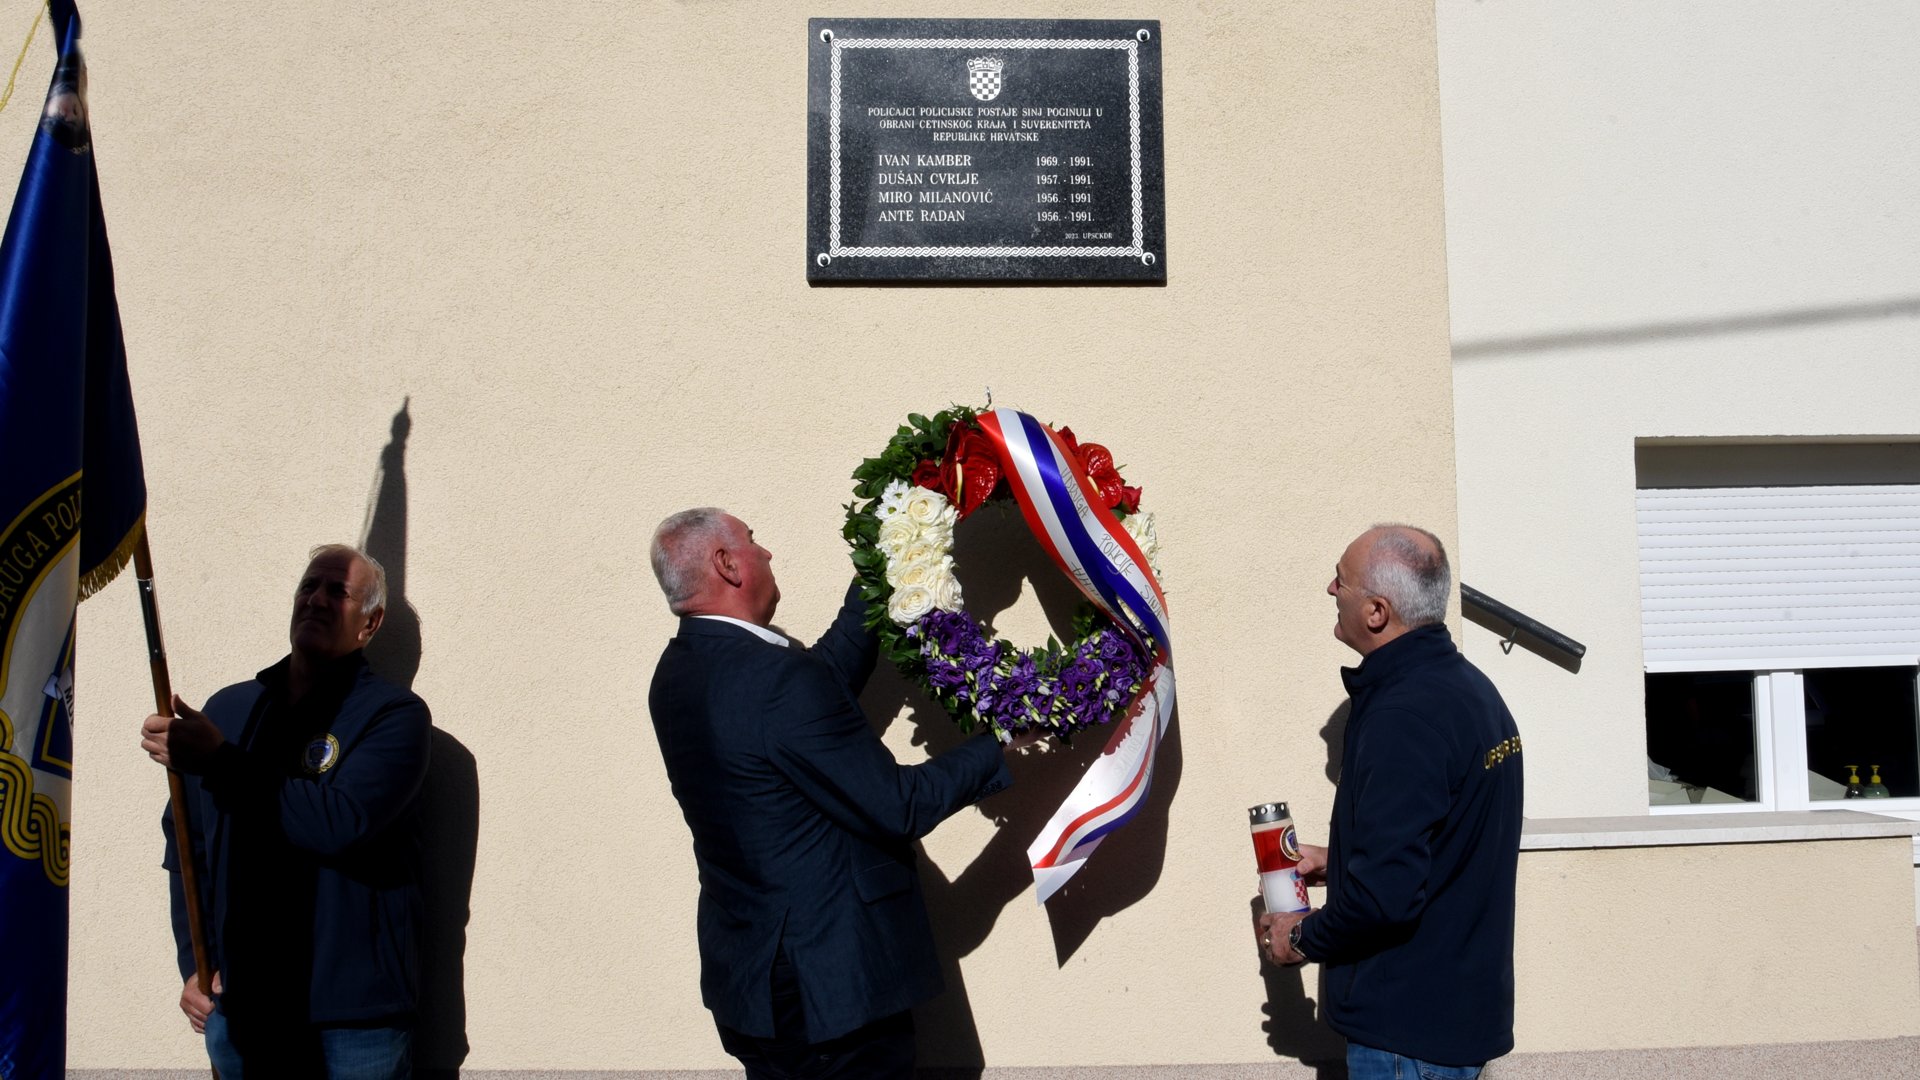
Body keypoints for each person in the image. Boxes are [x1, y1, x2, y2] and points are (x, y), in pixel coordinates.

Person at [648, 507, 1019, 1078]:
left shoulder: (676, 673)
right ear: (726, 565)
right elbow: (900, 804)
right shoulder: (775, 680)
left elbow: (814, 691)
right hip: (831, 995)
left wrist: (888, 562)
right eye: (751, 540)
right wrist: (1003, 738)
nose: (766, 552)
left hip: (754, 984)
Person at [142, 544, 431, 1079]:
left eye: (338, 592)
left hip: (352, 1019)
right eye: (309, 587)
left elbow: (340, 823)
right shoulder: (230, 711)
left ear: (370, 624)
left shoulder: (394, 717)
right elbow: (187, 846)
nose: (316, 600)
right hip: (245, 1010)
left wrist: (220, 761)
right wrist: (196, 963)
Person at [1257, 525, 1523, 1080]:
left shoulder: (1402, 717)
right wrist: (1338, 861)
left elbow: (1385, 900)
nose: (1331, 589)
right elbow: (1445, 845)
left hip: (1408, 1036)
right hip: (1450, 1016)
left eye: (1342, 581)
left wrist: (1299, 938)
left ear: (1376, 612)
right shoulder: (1469, 690)